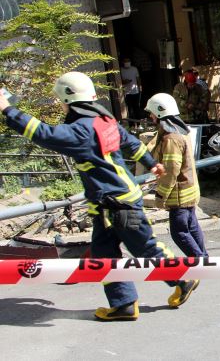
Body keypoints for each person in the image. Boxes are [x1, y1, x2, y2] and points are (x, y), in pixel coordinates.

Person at [0, 72, 199, 321]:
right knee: (104, 255)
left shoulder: (81, 130)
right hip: (107, 205)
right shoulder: (104, 120)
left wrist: (8, 109)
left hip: (118, 203)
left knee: (144, 247)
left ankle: (183, 277)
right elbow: (130, 142)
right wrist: (150, 163)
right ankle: (124, 304)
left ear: (68, 99)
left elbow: (43, 134)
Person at [145, 93, 207, 258]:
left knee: (179, 232)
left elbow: (171, 170)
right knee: (192, 227)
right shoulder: (179, 131)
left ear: (159, 114)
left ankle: (200, 261)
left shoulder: (171, 139)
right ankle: (204, 258)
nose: (150, 116)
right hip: (189, 192)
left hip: (179, 195)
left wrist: (161, 195)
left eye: (151, 113)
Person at [120, 58, 141, 124]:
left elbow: (138, 79)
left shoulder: (134, 69)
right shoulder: (120, 70)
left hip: (135, 91)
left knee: (136, 108)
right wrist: (123, 82)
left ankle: (138, 123)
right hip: (126, 92)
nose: (127, 62)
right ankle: (131, 124)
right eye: (125, 61)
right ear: (123, 62)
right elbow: (118, 80)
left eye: (128, 61)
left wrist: (140, 87)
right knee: (129, 109)